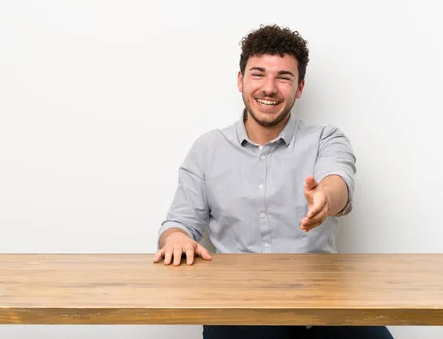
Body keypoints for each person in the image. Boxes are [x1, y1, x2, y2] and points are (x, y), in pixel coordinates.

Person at [153, 25, 394, 339]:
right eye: (258, 74)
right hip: (240, 309)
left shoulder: (326, 139)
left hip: (325, 304)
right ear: (240, 80)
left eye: (283, 77)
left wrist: (324, 198)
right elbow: (178, 223)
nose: (269, 88)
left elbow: (338, 181)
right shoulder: (207, 149)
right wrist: (175, 239)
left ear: (300, 87)